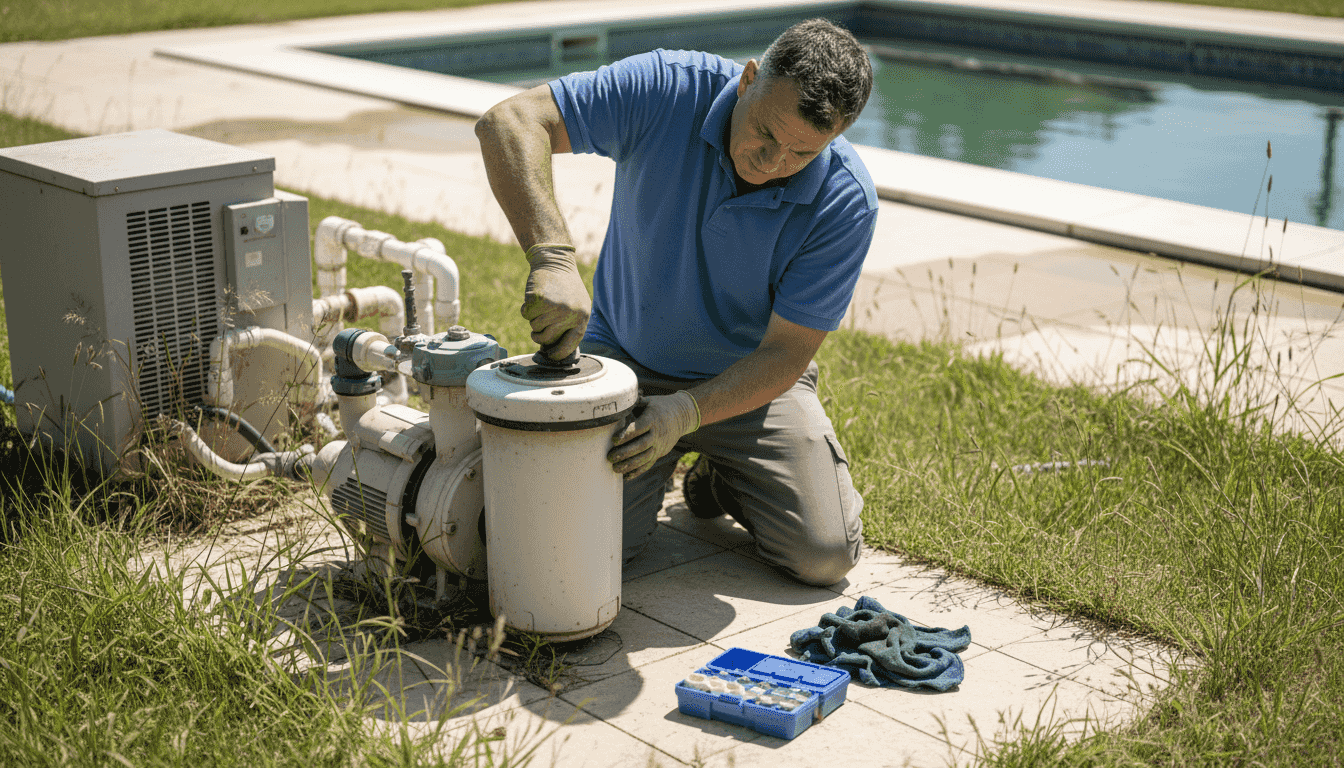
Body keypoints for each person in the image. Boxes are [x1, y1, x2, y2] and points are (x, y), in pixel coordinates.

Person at [475, 18, 877, 586]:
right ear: (748, 80)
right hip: (623, 362)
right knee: (565, 548)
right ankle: (681, 466)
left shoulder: (845, 201)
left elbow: (787, 354)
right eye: (764, 132)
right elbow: (511, 122)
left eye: (800, 153)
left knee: (824, 556)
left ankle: (719, 475)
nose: (770, 161)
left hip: (746, 387)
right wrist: (553, 258)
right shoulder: (667, 88)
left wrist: (686, 412)